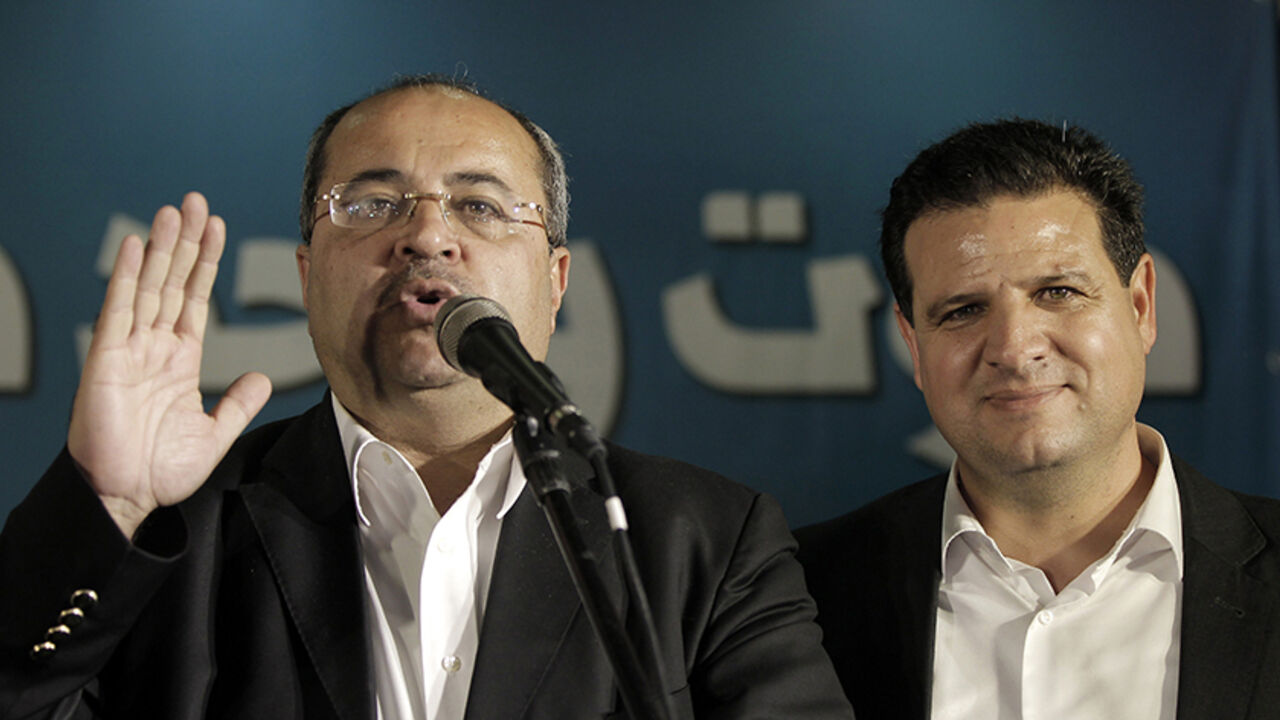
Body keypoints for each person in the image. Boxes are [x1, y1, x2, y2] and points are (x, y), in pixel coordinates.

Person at [0, 75, 853, 720]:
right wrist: (107, 506)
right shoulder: (177, 530)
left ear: (556, 282)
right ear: (306, 276)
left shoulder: (701, 540)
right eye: (373, 203)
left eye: (480, 205)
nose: (428, 235)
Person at [796, 118, 1280, 719]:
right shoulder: (800, 595)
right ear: (913, 344)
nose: (1015, 347)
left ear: (1140, 306)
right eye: (964, 310)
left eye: (1058, 292)